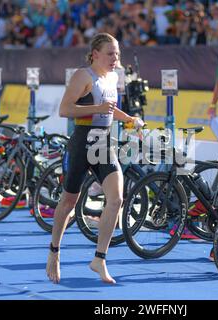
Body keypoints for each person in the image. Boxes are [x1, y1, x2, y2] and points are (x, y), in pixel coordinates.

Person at [46, 33, 144, 285]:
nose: (115, 58)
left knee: (116, 199)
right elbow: (65, 109)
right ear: (95, 54)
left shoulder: (113, 76)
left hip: (103, 142)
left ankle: (100, 259)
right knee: (68, 202)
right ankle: (54, 252)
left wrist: (130, 120)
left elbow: (110, 108)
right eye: (111, 53)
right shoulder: (83, 75)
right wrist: (96, 109)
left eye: (118, 54)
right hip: (82, 142)